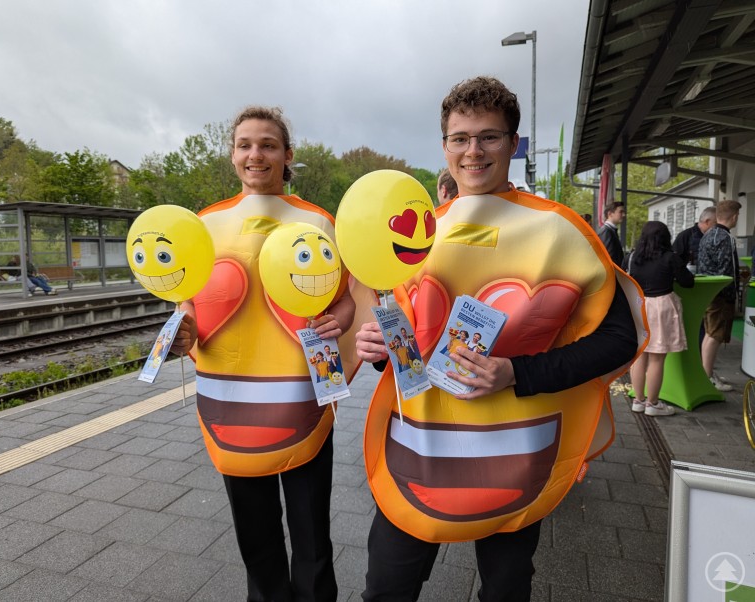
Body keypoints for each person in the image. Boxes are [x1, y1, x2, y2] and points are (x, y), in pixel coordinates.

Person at [354, 76, 641, 601]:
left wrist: (518, 373)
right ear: (444, 146)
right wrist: (379, 350)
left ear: (513, 143)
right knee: (387, 584)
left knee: (505, 587)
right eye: (460, 138)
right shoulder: (415, 235)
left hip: (517, 449)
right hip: (419, 441)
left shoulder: (561, 231)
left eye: (489, 136)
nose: (473, 151)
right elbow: (409, 342)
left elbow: (619, 340)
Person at [169, 105, 356, 601]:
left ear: (288, 154)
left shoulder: (319, 221)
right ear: (233, 154)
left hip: (306, 399)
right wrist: (183, 327)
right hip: (230, 404)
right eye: (245, 145)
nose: (256, 154)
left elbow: (347, 296)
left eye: (268, 145)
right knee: (255, 537)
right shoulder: (204, 225)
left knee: (312, 532)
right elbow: (186, 296)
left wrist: (342, 319)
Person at [624, 221, 694, 416]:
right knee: (656, 358)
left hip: (639, 306)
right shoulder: (670, 258)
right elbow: (688, 282)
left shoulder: (632, 258)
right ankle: (653, 404)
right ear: (665, 238)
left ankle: (638, 401)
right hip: (661, 306)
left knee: (639, 356)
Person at [698, 199, 742, 392]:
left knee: (709, 334)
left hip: (709, 292)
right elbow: (726, 270)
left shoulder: (708, 235)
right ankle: (707, 378)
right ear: (734, 217)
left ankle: (706, 373)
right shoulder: (725, 238)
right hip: (721, 294)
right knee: (714, 336)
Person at [598, 202, 626, 266]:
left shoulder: (609, 231)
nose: (624, 215)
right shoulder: (606, 232)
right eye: (621, 212)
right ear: (610, 214)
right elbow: (608, 258)